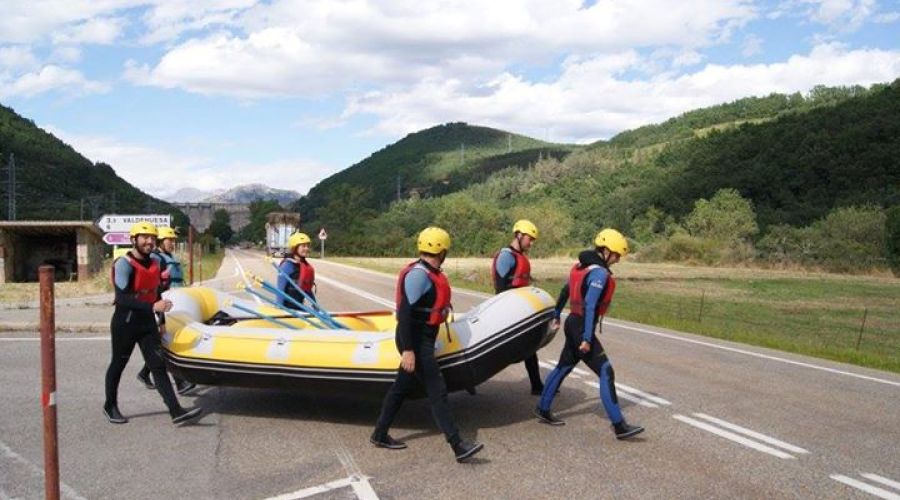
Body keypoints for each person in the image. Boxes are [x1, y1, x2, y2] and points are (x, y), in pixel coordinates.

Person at [370, 227, 484, 463]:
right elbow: (405, 313)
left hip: (422, 337)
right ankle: (458, 445)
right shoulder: (419, 275)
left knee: (401, 388)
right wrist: (409, 350)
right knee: (437, 391)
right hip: (415, 338)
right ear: (441, 250)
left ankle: (379, 433)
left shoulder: (428, 272)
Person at [534, 228, 644, 440]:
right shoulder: (599, 274)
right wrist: (586, 338)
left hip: (572, 322)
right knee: (606, 371)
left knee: (563, 367)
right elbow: (591, 304)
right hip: (581, 326)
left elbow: (566, 290)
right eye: (616, 255)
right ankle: (619, 425)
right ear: (605, 251)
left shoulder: (580, 267)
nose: (618, 260)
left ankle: (543, 408)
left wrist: (557, 313)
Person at [103, 221, 202, 426]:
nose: (149, 241)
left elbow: (156, 293)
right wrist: (152, 308)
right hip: (126, 322)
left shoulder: (155, 264)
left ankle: (176, 411)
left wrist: (161, 319)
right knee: (118, 365)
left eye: (152, 238)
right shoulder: (123, 264)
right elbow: (122, 299)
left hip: (147, 322)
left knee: (158, 366)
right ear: (134, 240)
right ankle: (109, 405)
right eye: (144, 237)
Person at [136, 226, 196, 395]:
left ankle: (144, 373)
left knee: (163, 342)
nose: (172, 243)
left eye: (173, 241)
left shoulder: (168, 257)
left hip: (173, 301)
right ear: (161, 242)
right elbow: (154, 284)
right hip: (162, 303)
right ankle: (180, 382)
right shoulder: (157, 258)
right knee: (166, 341)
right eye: (169, 240)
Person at [492, 219, 544, 395]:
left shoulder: (520, 256)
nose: (531, 242)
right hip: (508, 310)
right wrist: (506, 312)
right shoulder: (506, 255)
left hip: (519, 310)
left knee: (531, 347)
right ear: (519, 235)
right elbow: (500, 286)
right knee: (517, 349)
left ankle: (537, 385)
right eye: (530, 238)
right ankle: (537, 385)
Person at [276, 232, 316, 309]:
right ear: (295, 248)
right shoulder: (287, 265)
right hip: (287, 308)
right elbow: (280, 290)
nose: (306, 248)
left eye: (307, 246)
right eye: (303, 246)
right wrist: (279, 309)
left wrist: (316, 307)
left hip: (299, 307)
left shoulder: (303, 266)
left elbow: (307, 290)